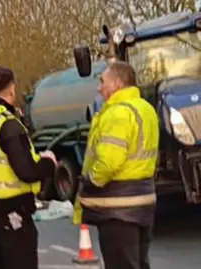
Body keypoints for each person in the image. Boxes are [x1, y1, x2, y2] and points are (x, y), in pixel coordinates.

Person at [0, 66, 57, 269]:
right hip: (12, 212)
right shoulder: (8, 125)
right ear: (11, 90)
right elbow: (27, 172)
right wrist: (48, 162)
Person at [73, 61, 159, 269]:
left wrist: (91, 181)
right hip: (142, 202)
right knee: (139, 262)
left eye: (103, 82)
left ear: (117, 84)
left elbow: (109, 162)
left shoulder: (116, 113)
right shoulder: (146, 109)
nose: (99, 87)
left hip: (117, 208)